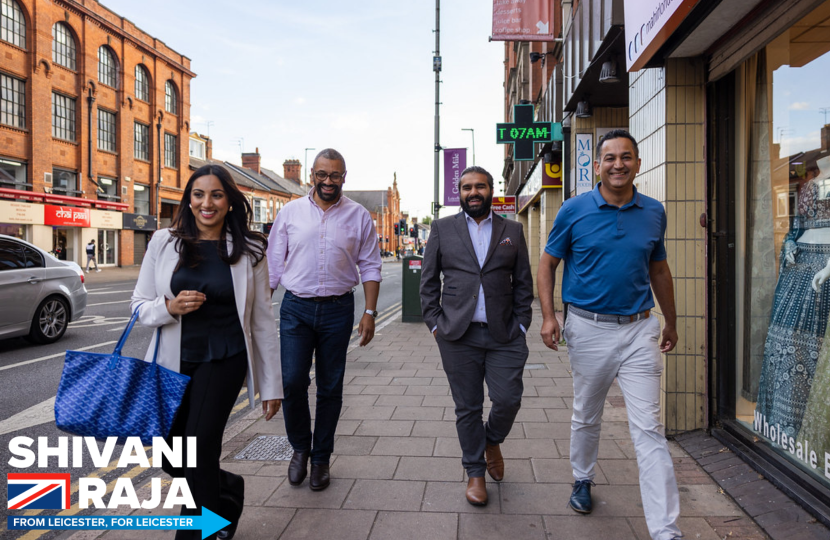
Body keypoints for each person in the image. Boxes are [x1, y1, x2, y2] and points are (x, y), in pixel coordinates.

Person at [537, 130, 682, 540]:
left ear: (638, 163)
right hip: (588, 328)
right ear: (596, 165)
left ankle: (665, 530)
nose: (618, 164)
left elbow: (659, 270)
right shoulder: (573, 210)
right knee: (587, 412)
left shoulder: (654, 212)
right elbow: (547, 264)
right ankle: (582, 478)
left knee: (649, 429)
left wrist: (670, 321)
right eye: (610, 158)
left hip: (640, 329)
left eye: (626, 157)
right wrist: (549, 317)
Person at [131, 164, 283, 540]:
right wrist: (168, 308)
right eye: (198, 195)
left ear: (230, 201)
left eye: (216, 194)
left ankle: (200, 532)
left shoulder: (250, 250)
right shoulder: (163, 242)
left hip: (224, 358)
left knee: (198, 449)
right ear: (189, 200)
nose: (207, 203)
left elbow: (263, 321)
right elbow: (137, 305)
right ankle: (227, 488)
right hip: (172, 361)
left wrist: (272, 384)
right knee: (170, 453)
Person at [268, 148, 382, 492]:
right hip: (296, 308)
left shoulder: (360, 216)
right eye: (322, 174)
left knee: (330, 388)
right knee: (292, 382)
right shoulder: (290, 213)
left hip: (338, 309)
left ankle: (321, 458)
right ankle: (300, 449)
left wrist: (370, 312)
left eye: (335, 175)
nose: (328, 181)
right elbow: (273, 266)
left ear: (344, 177)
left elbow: (371, 266)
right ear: (311, 176)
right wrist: (255, 313)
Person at [420, 165, 533, 506]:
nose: (473, 192)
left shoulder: (512, 228)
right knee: (467, 407)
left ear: (491, 190)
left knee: (508, 398)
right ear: (460, 192)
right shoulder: (442, 229)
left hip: (505, 334)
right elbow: (427, 283)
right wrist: (437, 325)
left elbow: (523, 283)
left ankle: (492, 440)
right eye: (466, 187)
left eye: (480, 186)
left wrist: (523, 323)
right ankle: (475, 472)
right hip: (457, 335)